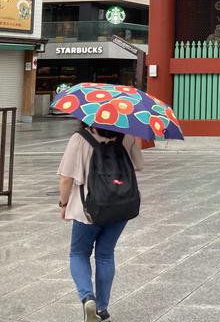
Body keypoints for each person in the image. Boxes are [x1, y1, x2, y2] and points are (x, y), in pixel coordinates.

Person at [58, 126, 144, 322]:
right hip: (121, 206)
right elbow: (139, 165)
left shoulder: (79, 138)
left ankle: (88, 297)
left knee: (79, 253)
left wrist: (63, 204)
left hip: (88, 209)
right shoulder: (127, 136)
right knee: (105, 254)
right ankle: (102, 310)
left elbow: (66, 179)